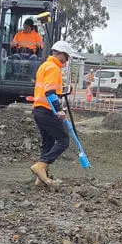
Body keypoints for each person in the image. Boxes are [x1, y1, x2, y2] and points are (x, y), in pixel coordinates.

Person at [30, 40, 75, 187]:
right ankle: (41, 165)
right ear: (61, 54)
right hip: (46, 110)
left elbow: (49, 91)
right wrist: (59, 109)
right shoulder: (53, 68)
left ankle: (41, 178)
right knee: (63, 140)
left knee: (48, 143)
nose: (67, 61)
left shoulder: (44, 66)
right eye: (67, 57)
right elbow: (49, 92)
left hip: (39, 110)